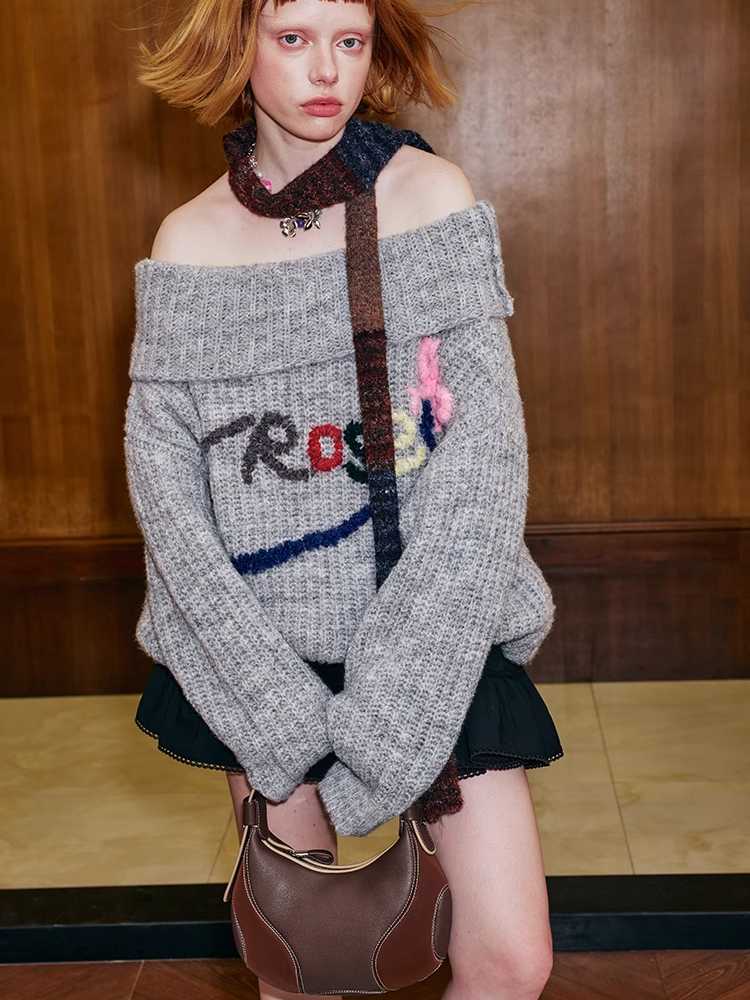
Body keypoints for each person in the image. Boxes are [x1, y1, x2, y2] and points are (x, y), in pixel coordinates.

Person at [126, 0, 564, 997]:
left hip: (433, 636)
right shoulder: (188, 242)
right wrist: (274, 707)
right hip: (261, 660)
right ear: (239, 48)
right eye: (294, 39)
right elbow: (168, 501)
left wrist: (402, 692)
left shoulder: (430, 197)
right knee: (306, 971)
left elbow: (484, 458)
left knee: (510, 958)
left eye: (350, 41)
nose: (327, 69)